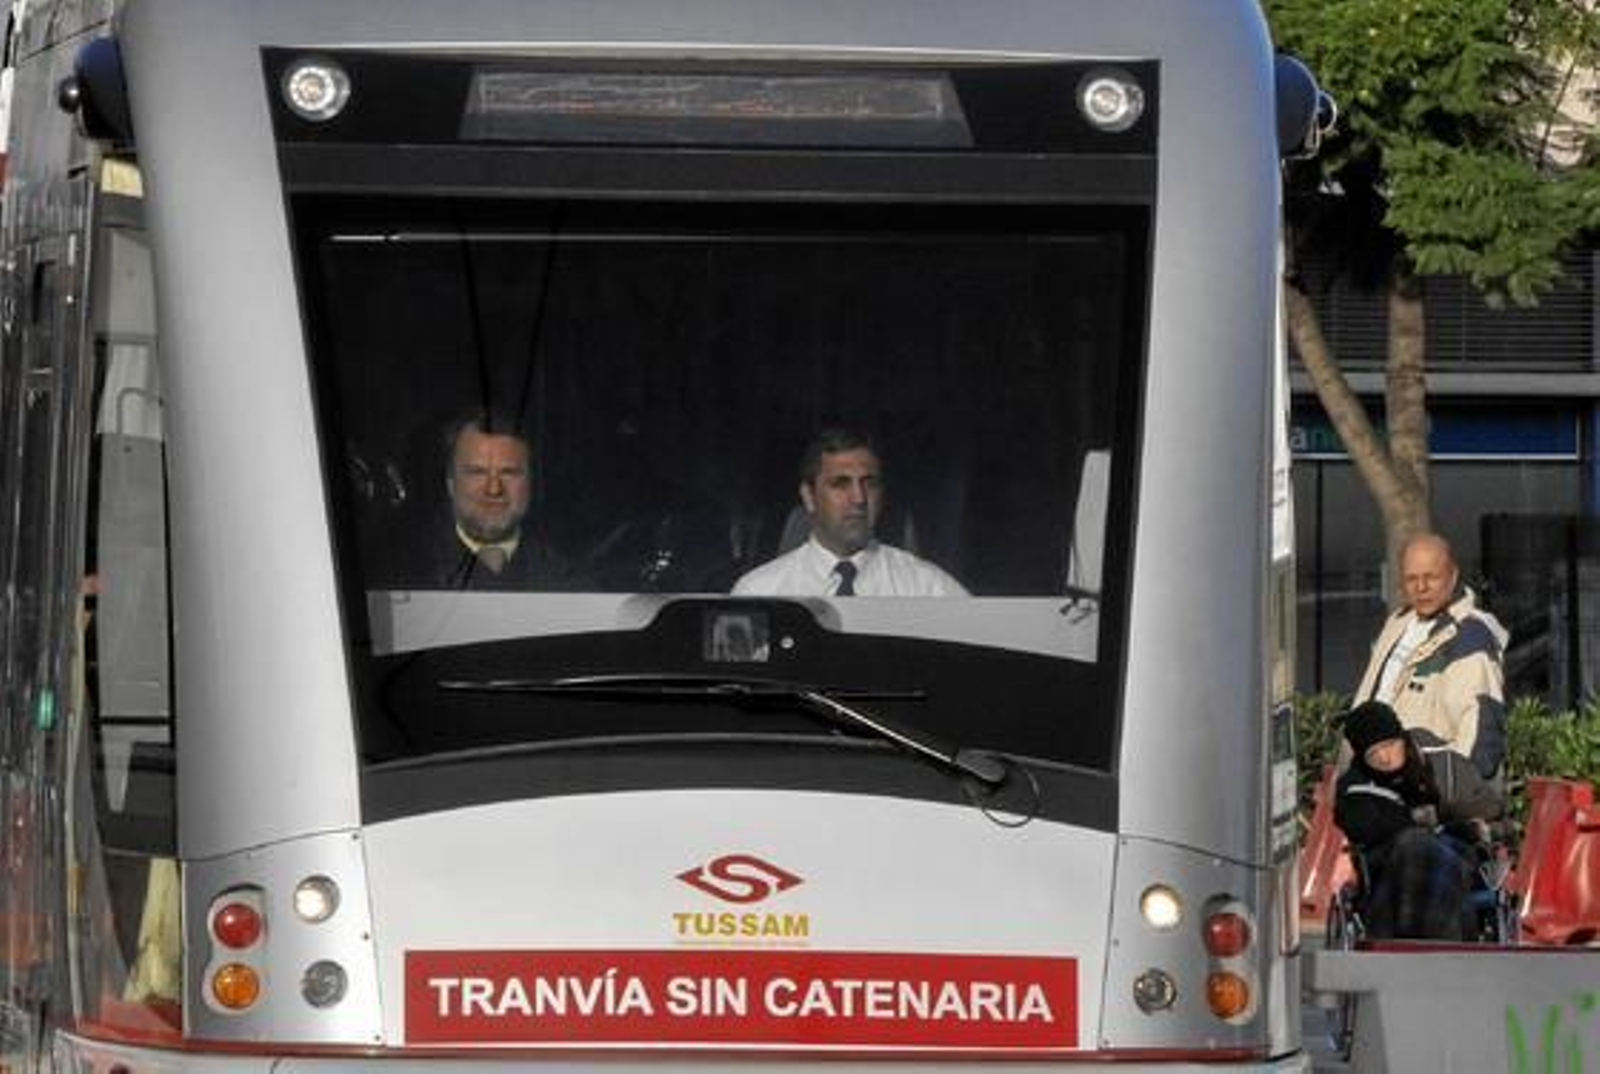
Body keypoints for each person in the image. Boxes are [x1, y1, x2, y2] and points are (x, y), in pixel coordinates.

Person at [1352, 532, 1508, 820]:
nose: (1421, 587)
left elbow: (1478, 734)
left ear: (1453, 575)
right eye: (1412, 579)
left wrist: (1448, 800)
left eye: (1431, 577)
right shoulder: (1398, 623)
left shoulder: (1469, 636)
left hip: (1422, 802)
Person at [731, 428, 967, 597]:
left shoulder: (929, 589)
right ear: (809, 497)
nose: (859, 498)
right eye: (840, 484)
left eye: (869, 483)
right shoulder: (760, 592)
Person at [1334, 700, 1477, 941]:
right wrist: (1415, 821)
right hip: (1390, 870)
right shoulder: (1354, 788)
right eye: (1373, 753)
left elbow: (1482, 801)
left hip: (1446, 854)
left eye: (1389, 745)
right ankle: (1428, 935)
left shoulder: (1435, 763)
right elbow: (1367, 829)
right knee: (1414, 844)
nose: (1384, 758)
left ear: (1401, 738)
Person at [401, 413, 581, 590]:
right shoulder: (403, 569)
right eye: (477, 472)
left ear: (531, 483)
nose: (494, 489)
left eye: (509, 472)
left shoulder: (571, 575)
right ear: (450, 482)